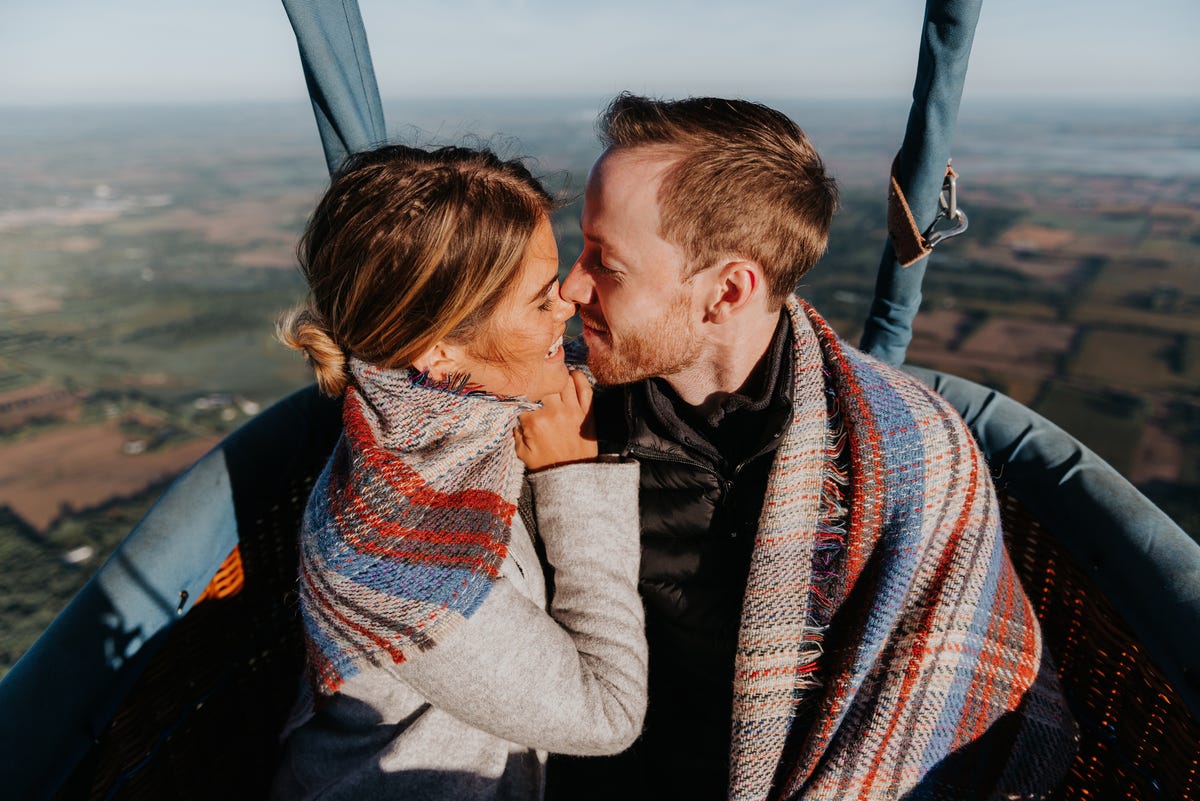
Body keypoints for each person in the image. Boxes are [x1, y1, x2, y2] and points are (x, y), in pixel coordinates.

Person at [546, 95, 1078, 801]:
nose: (569, 285)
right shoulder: (558, 417)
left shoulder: (910, 452)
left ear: (727, 292)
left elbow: (928, 714)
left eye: (605, 262)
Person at [269, 143, 647, 800]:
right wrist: (570, 480)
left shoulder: (443, 416)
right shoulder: (400, 557)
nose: (564, 304)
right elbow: (605, 714)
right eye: (538, 301)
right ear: (439, 350)